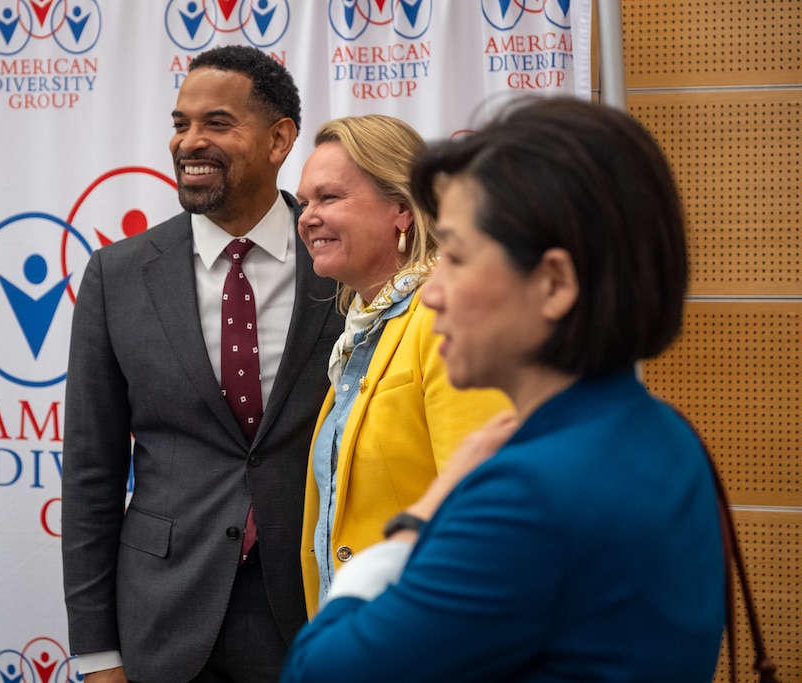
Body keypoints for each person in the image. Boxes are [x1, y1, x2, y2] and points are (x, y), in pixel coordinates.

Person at [280, 97, 727, 682]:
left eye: (458, 258)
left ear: (553, 284)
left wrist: (420, 520)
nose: (433, 292)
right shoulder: (668, 432)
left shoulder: (527, 498)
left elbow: (318, 672)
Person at [62, 45, 343, 683]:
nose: (190, 142)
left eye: (217, 123)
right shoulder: (118, 275)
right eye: (180, 123)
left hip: (313, 609)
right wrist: (98, 653)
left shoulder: (342, 263)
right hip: (164, 615)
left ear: (280, 140)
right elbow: (90, 473)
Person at [293, 114, 512, 615]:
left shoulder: (443, 323)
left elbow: (477, 519)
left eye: (329, 198)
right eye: (304, 202)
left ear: (402, 210)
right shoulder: (363, 333)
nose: (307, 216)